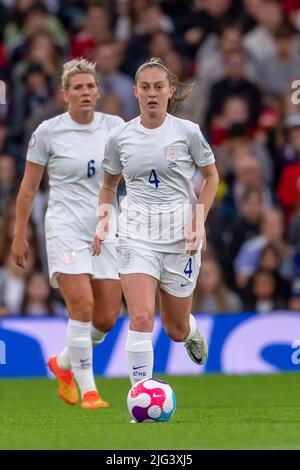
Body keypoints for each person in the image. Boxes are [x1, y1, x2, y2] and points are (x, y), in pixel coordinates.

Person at [92, 58, 219, 392]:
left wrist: (198, 220)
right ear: (135, 91)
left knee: (174, 328)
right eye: (145, 87)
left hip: (181, 237)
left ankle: (189, 332)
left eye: (158, 87)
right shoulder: (120, 137)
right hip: (136, 234)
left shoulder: (188, 132)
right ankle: (141, 394)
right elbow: (108, 184)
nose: (151, 93)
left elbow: (211, 176)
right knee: (141, 317)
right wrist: (104, 221)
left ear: (170, 91)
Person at [11, 58, 124, 409]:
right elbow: (29, 188)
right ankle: (89, 390)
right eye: (78, 87)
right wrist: (18, 234)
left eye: (90, 86)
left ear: (98, 91)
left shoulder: (116, 127)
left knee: (106, 318)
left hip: (105, 227)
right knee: (83, 306)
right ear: (65, 94)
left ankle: (61, 364)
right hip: (64, 227)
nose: (85, 92)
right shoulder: (48, 132)